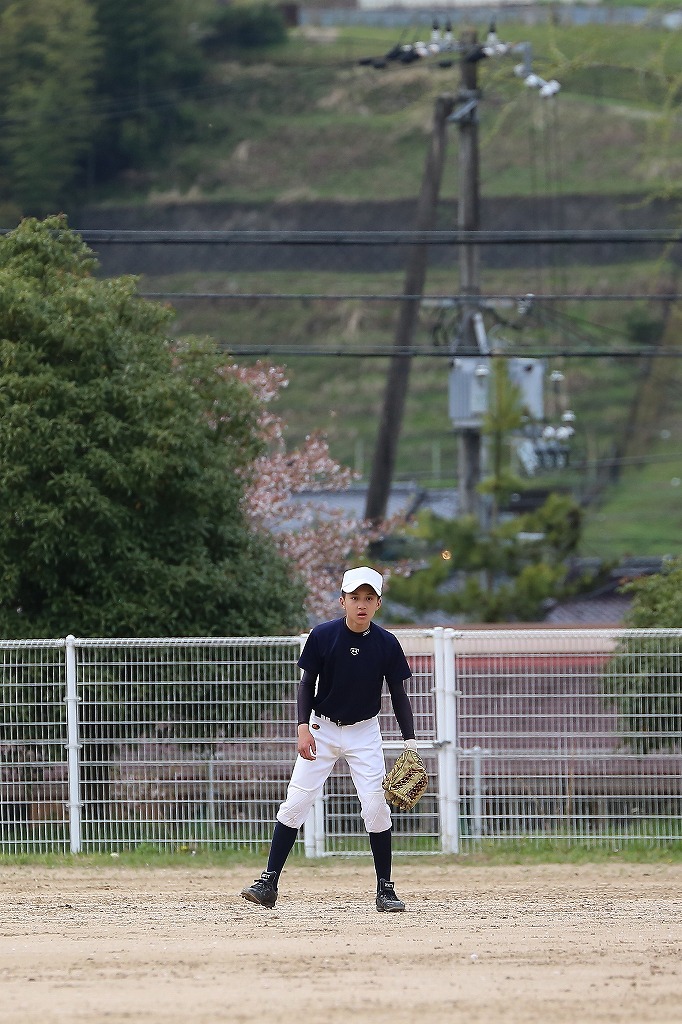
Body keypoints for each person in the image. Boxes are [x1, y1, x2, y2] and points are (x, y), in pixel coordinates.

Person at [240, 565, 418, 913]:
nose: (361, 604)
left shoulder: (386, 643)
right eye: (354, 597)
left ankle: (385, 889)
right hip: (322, 728)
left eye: (369, 598)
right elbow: (306, 684)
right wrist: (302, 726)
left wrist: (410, 742)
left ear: (378, 603)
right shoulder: (323, 636)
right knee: (295, 803)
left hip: (364, 732)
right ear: (342, 601)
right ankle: (268, 882)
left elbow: (399, 694)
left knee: (376, 807)